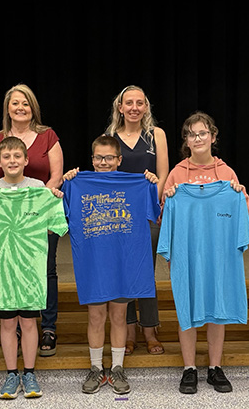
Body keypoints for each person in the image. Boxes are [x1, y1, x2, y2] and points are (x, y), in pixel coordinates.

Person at [0, 136, 66, 399]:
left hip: (29, 268)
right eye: (6, 157)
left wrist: (54, 199)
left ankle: (29, 373)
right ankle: (10, 374)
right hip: (0, 269)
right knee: (7, 324)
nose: (12, 161)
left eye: (17, 156)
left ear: (27, 160)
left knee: (29, 322)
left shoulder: (39, 188)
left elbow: (57, 226)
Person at [160, 112, 249, 394]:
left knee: (217, 309)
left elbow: (244, 215)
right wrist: (170, 198)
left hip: (219, 255)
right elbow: (165, 217)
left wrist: (240, 194)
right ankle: (189, 369)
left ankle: (215, 367)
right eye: (191, 134)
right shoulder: (176, 173)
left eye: (202, 133)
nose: (197, 139)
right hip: (188, 255)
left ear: (213, 136)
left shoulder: (227, 174)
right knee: (186, 308)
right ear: (186, 141)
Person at [62, 136, 160, 395]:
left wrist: (150, 184)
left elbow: (153, 212)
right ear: (92, 159)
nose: (103, 162)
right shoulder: (76, 184)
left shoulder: (138, 184)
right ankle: (96, 368)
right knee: (95, 316)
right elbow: (63, 215)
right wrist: (67, 181)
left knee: (118, 315)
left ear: (119, 160)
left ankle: (117, 368)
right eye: (98, 158)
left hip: (122, 262)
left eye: (108, 158)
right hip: (93, 262)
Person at [0, 84, 64, 357]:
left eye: (25, 103)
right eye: (15, 103)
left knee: (45, 269)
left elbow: (55, 178)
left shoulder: (48, 136)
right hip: (6, 221)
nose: (20, 108)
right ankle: (15, 329)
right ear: (8, 108)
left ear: (33, 108)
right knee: (10, 269)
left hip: (38, 215)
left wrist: (36, 207)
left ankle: (48, 327)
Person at [104, 85, 168, 356]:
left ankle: (150, 330)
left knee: (145, 272)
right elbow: (104, 172)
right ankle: (128, 331)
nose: (134, 108)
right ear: (120, 107)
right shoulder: (110, 136)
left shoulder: (156, 135)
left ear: (146, 107)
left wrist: (154, 202)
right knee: (122, 272)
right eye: (128, 103)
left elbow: (163, 173)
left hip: (147, 212)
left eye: (139, 103)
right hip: (118, 216)